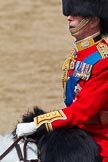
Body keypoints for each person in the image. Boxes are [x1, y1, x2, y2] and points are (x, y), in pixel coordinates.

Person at [16, 0, 108, 161]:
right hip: (78, 132)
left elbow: (81, 111)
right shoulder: (79, 54)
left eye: (76, 14)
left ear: (93, 21)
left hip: (101, 139)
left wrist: (37, 123)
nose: (69, 18)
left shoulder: (102, 61)